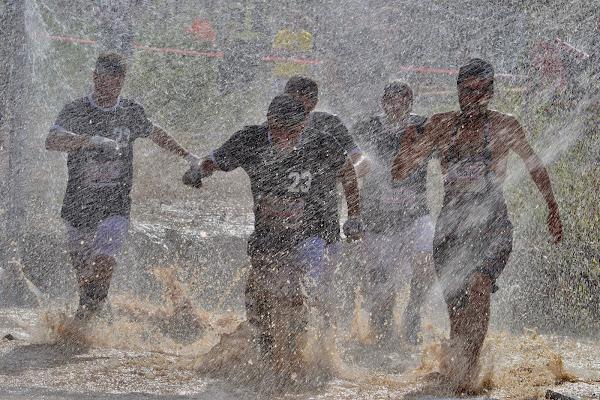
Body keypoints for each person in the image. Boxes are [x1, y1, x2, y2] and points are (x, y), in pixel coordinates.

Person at [392, 59, 563, 391]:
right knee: (456, 309)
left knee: (480, 284)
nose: (474, 97)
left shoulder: (505, 125)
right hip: (451, 228)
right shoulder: (441, 124)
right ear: (457, 92)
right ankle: (461, 372)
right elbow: (401, 172)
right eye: (468, 91)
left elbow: (534, 164)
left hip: (491, 224)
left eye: (482, 91)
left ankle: (468, 377)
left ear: (492, 93)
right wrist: (405, 148)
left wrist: (552, 207)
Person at [182, 94, 363, 379]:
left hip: (312, 232)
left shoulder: (322, 142)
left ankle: (308, 356)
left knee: (297, 294)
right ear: (268, 121)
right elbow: (214, 159)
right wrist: (198, 172)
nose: (283, 137)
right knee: (263, 300)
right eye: (277, 129)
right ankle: (270, 349)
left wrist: (354, 216)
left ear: (304, 124)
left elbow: (348, 172)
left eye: (291, 131)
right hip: (269, 234)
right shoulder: (250, 140)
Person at [45, 52, 200, 323]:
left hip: (115, 202)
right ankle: (90, 325)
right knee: (85, 281)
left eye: (115, 86)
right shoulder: (76, 110)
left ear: (122, 83)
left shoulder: (130, 111)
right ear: (94, 78)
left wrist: (187, 155)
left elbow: (156, 133)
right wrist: (88, 140)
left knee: (103, 263)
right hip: (78, 202)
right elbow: (52, 140)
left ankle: (95, 317)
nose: (109, 91)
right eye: (103, 84)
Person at [351, 80, 436, 346]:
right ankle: (380, 343)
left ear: (411, 103)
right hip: (377, 222)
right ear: (383, 102)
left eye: (403, 102)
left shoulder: (423, 127)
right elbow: (349, 166)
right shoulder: (365, 128)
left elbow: (448, 154)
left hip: (414, 216)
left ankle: (413, 311)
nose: (397, 107)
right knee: (382, 302)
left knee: (425, 265)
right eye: (391, 101)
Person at [282, 75, 369, 325]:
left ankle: (324, 341)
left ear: (313, 102)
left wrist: (348, 171)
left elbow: (361, 160)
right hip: (284, 218)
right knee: (286, 284)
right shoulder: (274, 122)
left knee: (319, 285)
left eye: (297, 100)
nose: (291, 106)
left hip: (323, 214)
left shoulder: (328, 124)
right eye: (288, 98)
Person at [270, 11, 314, 97]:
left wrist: (285, 52)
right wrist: (295, 51)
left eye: (297, 20)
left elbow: (306, 54)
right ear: (289, 21)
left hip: (298, 76)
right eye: (292, 20)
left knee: (297, 101)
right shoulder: (281, 34)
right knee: (278, 99)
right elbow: (275, 53)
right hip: (280, 74)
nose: (294, 22)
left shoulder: (306, 36)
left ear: (301, 21)